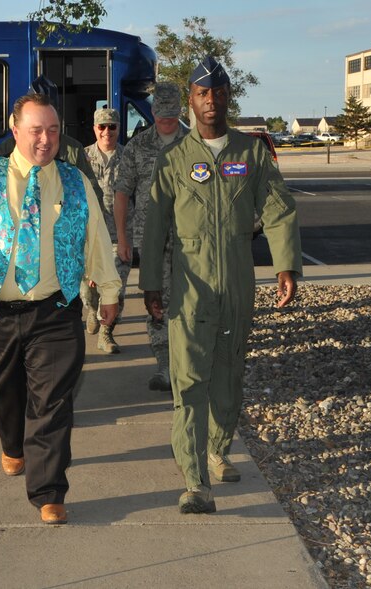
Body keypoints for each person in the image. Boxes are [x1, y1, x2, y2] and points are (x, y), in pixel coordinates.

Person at [0, 93, 120, 525]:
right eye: (36, 131)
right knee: (4, 394)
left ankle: (49, 490)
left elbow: (95, 239)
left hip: (55, 309)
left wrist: (109, 291)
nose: (46, 140)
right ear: (15, 132)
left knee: (52, 402)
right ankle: (13, 445)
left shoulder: (74, 180)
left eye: (52, 130)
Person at [139, 56, 302, 514]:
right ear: (190, 100)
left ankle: (218, 449)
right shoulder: (174, 160)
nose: (211, 101)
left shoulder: (250, 154)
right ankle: (195, 483)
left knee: (228, 374)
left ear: (229, 97)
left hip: (236, 286)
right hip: (189, 289)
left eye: (219, 93)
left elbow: (279, 209)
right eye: (202, 93)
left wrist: (285, 264)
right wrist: (151, 283)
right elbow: (155, 228)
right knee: (189, 382)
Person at [113, 82, 188, 390]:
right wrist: (123, 236)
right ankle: (165, 367)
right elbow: (122, 193)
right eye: (162, 115)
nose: (166, 121)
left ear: (180, 112)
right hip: (151, 239)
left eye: (172, 116)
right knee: (157, 301)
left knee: (189, 303)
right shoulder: (138, 146)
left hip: (190, 239)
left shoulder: (195, 143)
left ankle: (189, 364)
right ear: (154, 112)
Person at [0, 75, 100, 198]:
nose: (44, 139)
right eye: (35, 130)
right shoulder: (7, 148)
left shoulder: (74, 149)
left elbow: (92, 192)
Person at [81, 107, 129, 353]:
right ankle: (91, 309)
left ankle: (106, 334)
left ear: (119, 129)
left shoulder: (130, 157)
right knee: (89, 291)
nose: (107, 132)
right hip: (88, 237)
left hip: (119, 235)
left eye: (112, 126)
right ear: (94, 129)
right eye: (102, 126)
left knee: (115, 288)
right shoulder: (82, 157)